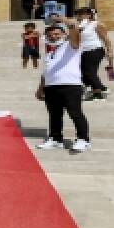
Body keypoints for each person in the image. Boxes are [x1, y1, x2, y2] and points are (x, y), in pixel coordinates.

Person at [36, 19, 90, 152]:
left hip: (70, 86)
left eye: (57, 34)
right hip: (51, 87)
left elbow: (73, 26)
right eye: (50, 35)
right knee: (54, 115)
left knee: (75, 113)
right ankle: (55, 139)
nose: (53, 36)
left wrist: (61, 19)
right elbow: (46, 72)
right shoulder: (50, 53)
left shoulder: (71, 46)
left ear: (64, 35)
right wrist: (40, 88)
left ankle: (83, 139)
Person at [75, 8, 114, 101]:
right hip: (83, 52)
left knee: (90, 72)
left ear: (89, 15)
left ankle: (98, 93)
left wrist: (110, 51)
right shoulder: (78, 26)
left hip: (95, 50)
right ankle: (102, 88)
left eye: (83, 14)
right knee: (83, 72)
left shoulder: (96, 24)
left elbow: (105, 38)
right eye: (79, 14)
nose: (80, 15)